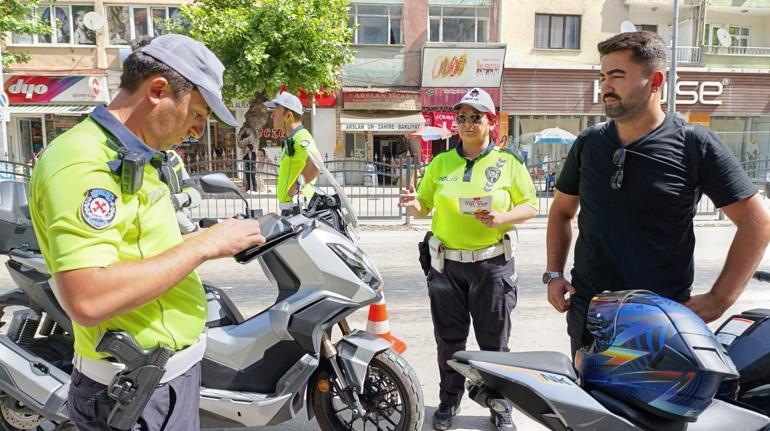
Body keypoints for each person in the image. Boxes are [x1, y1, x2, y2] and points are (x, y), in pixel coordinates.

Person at [28, 34, 266, 431]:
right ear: (158, 90)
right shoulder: (84, 162)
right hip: (131, 390)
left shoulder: (138, 156)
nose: (197, 129)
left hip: (166, 379)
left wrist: (215, 239)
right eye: (199, 113)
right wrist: (203, 247)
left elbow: (142, 253)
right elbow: (87, 297)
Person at [544, 31, 770, 360]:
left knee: (651, 412)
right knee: (589, 409)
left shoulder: (694, 145)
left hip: (660, 322)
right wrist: (553, 273)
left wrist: (718, 299)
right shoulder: (589, 144)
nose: (605, 86)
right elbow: (562, 211)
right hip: (589, 314)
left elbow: (756, 223)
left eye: (617, 76)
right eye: (603, 76)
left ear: (656, 80)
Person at [398, 87, 538, 431]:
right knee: (449, 341)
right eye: (461, 117)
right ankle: (449, 401)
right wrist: (412, 203)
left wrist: (502, 218)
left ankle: (499, 403)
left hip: (492, 265)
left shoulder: (508, 163)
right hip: (447, 267)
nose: (467, 123)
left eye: (476, 117)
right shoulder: (441, 163)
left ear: (491, 121)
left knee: (494, 343)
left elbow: (531, 205)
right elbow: (425, 206)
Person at [264, 91, 320, 211]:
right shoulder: (294, 137)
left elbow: (316, 164)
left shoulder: (301, 136)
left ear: (288, 116)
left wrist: (293, 191)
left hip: (297, 207)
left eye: (275, 110)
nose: (272, 115)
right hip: (292, 207)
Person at [165, 148, 202, 234]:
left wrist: (183, 198)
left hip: (182, 231)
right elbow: (164, 205)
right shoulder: (142, 159)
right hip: (165, 235)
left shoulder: (172, 157)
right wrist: (191, 230)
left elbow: (194, 192)